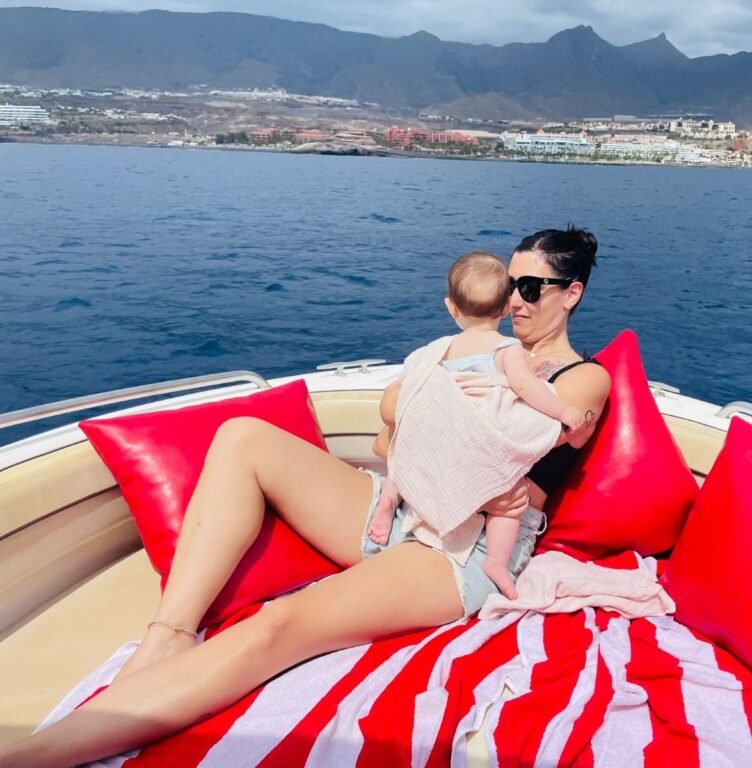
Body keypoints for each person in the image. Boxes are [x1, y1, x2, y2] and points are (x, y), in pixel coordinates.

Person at [0, 225, 610, 768]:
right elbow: (387, 426)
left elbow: (507, 478)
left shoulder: (580, 379)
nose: (514, 301)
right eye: (510, 286)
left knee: (280, 622)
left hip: (457, 550)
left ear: (571, 293)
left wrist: (429, 417)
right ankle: (173, 631)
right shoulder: (474, 356)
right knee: (243, 437)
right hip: (403, 507)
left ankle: (29, 757)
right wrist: (433, 422)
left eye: (530, 288)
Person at [368, 250, 585, 600]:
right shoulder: (506, 349)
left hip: (441, 440)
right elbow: (526, 387)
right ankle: (497, 563)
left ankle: (388, 500)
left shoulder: (442, 349)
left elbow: (409, 400)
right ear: (505, 307)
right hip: (479, 440)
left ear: (451, 308)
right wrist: (562, 411)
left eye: (531, 288)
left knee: (406, 448)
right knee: (509, 486)